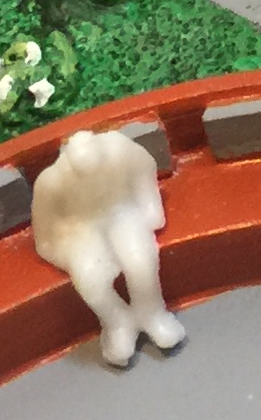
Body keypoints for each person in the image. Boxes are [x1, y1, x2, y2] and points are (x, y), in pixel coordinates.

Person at [31, 128, 185, 366]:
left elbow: (143, 168)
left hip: (123, 211)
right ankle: (118, 324)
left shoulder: (120, 150)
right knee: (89, 281)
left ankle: (151, 313)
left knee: (140, 262)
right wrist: (69, 256)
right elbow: (45, 239)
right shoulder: (50, 183)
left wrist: (150, 207)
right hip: (82, 228)